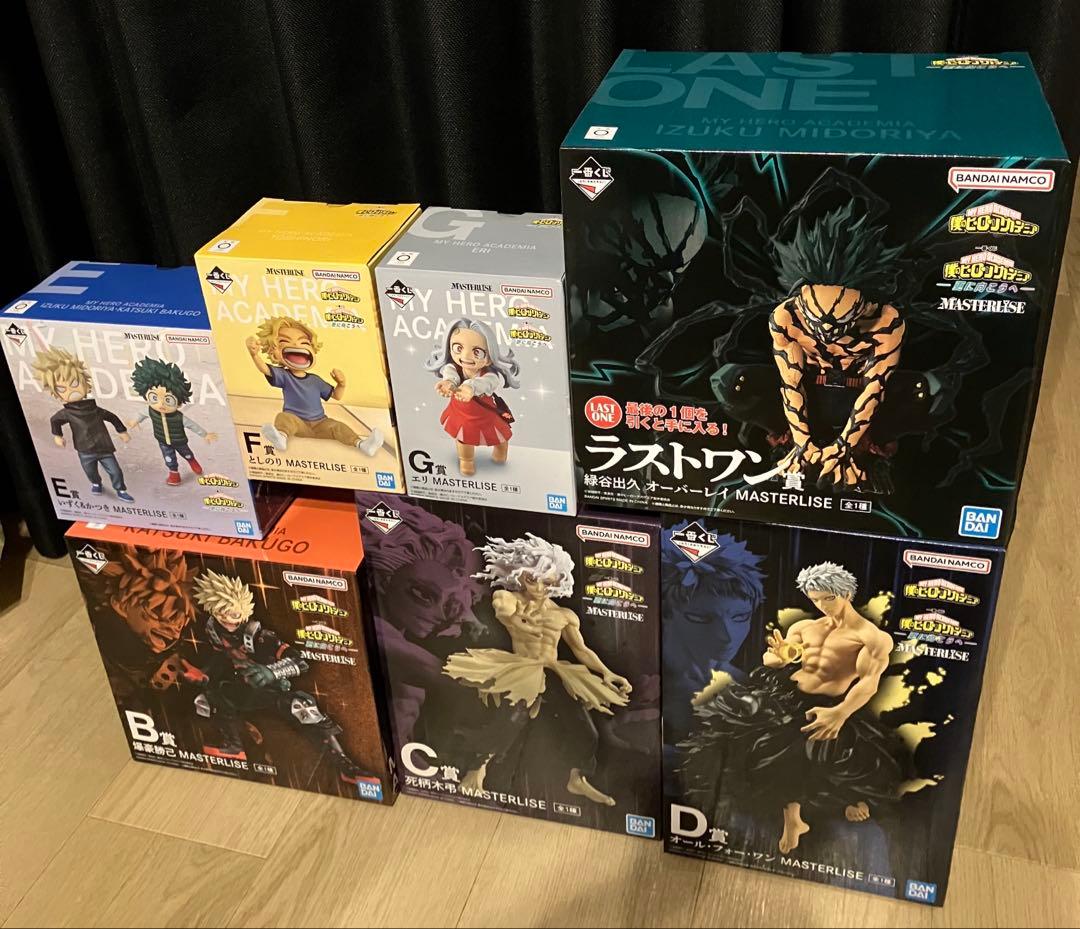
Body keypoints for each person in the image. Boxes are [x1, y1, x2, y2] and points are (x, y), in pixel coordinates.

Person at [681, 561, 904, 853]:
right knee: (745, 735)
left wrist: (840, 712)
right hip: (785, 694)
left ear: (846, 594)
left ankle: (837, 804)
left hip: (831, 704)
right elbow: (772, 659)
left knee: (816, 751)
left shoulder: (871, 637)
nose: (822, 606)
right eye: (815, 599)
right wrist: (781, 657)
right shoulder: (804, 627)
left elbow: (869, 683)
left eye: (828, 598)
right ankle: (794, 818)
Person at [426, 319, 519, 476]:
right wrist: (448, 383)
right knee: (463, 438)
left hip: (485, 413)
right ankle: (466, 460)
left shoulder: (490, 376)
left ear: (489, 357)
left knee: (500, 436)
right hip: (461, 413)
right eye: (458, 348)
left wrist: (470, 387)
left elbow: (486, 383)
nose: (466, 356)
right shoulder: (452, 368)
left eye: (477, 352)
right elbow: (451, 376)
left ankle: (500, 452)